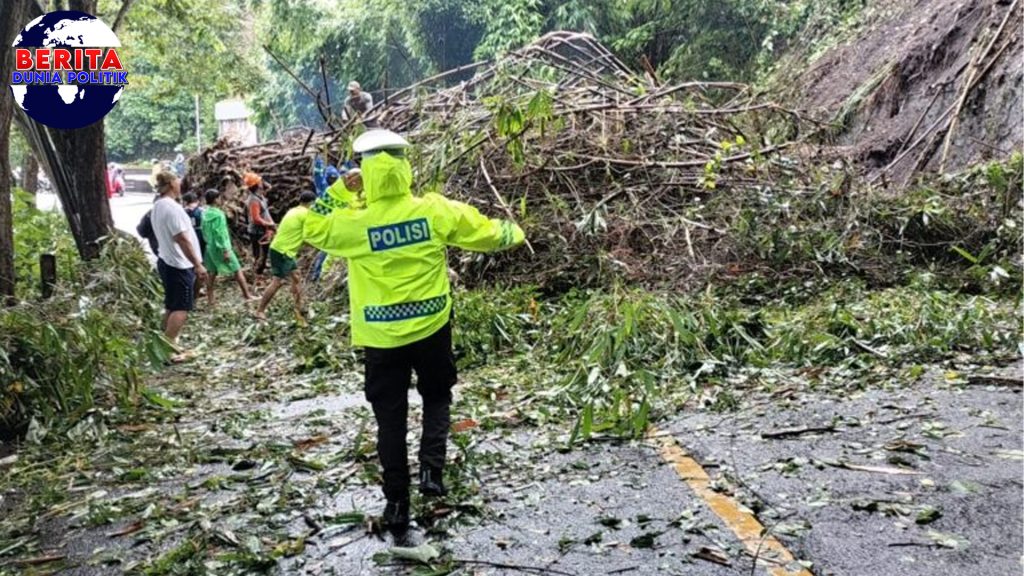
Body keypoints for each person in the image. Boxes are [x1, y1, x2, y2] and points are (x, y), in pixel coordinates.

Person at [302, 129, 525, 536]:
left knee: (390, 418)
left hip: (381, 338)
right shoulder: (433, 211)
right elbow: (486, 233)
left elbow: (312, 228)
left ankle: (397, 504)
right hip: (431, 328)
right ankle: (431, 473)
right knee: (437, 395)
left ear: (365, 173)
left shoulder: (356, 223)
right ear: (405, 168)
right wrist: (517, 232)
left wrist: (338, 190)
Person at [150, 172, 207, 360]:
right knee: (181, 308)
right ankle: (167, 350)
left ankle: (164, 343)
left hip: (166, 260)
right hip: (178, 264)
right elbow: (182, 238)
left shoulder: (157, 205)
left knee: (171, 305)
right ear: (172, 184)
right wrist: (197, 264)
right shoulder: (172, 208)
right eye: (177, 180)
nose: (180, 183)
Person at [254, 191, 316, 321]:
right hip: (282, 251)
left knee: (296, 276)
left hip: (282, 249)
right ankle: (260, 311)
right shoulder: (306, 214)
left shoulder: (294, 210)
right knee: (278, 282)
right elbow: (310, 235)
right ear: (311, 203)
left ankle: (298, 307)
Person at [202, 189, 256, 306]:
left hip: (210, 247)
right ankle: (247, 295)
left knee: (211, 273)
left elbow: (204, 232)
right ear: (216, 199)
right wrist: (225, 249)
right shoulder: (219, 214)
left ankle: (210, 299)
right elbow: (220, 233)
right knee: (237, 270)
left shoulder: (205, 214)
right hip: (221, 248)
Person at [244, 172, 275, 276]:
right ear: (256, 185)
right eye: (260, 181)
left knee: (265, 252)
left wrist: (262, 183)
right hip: (257, 231)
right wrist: (269, 224)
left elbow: (269, 187)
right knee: (259, 254)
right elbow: (256, 219)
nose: (262, 182)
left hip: (264, 229)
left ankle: (260, 269)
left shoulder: (259, 195)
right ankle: (257, 273)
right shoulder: (253, 200)